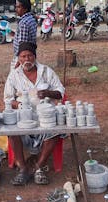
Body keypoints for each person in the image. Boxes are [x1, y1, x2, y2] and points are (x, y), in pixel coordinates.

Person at [4, 42, 65, 186]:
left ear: (35, 57)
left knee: (55, 131)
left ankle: (38, 167)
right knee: (12, 133)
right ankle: (23, 168)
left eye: (30, 56)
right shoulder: (14, 76)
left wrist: (47, 93)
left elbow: (60, 93)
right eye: (23, 56)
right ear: (18, 58)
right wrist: (20, 105)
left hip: (45, 118)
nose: (27, 59)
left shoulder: (46, 72)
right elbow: (7, 99)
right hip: (23, 118)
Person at [12, 0, 37, 68]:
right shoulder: (31, 19)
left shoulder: (24, 23)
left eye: (18, 7)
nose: (16, 9)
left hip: (23, 57)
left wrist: (18, 63)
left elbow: (23, 45)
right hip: (30, 55)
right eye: (16, 7)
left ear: (25, 9)